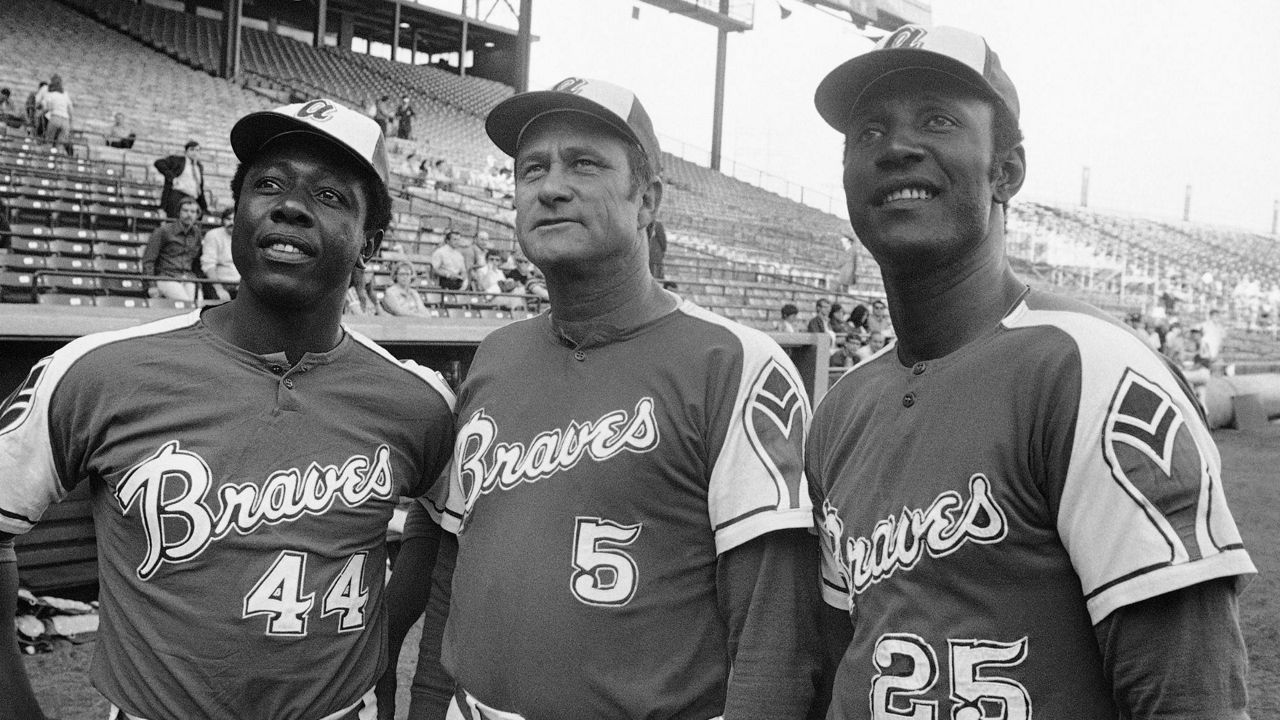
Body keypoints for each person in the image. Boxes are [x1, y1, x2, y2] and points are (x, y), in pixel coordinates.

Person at [808, 24, 1255, 719]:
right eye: (867, 132)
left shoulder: (1090, 368)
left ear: (1006, 171)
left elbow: (1190, 697)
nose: (895, 147)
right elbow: (847, 653)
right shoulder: (842, 407)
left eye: (938, 120)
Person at [0, 97, 456, 720]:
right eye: (268, 184)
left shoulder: (417, 401)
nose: (290, 205)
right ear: (235, 215)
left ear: (369, 243)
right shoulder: (96, 370)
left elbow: (451, 528)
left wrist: (388, 636)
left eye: (330, 196)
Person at [386, 76, 821, 720]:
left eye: (584, 164)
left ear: (647, 200)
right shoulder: (497, 355)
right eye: (532, 168)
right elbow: (455, 564)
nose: (551, 186)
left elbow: (773, 637)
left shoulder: (735, 362)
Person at [142, 196, 203, 302]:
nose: (189, 214)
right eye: (185, 210)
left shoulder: (197, 234)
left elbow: (196, 262)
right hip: (166, 277)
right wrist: (151, 285)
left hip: (188, 277)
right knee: (186, 304)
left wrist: (199, 283)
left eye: (193, 212)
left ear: (197, 215)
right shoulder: (163, 231)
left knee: (199, 305)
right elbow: (148, 260)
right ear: (178, 212)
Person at [155, 140, 209, 219]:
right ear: (186, 151)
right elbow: (159, 163)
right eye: (192, 149)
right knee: (175, 221)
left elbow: (200, 188)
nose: (195, 152)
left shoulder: (199, 166)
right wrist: (172, 178)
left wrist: (204, 207)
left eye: (197, 150)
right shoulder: (177, 160)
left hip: (193, 199)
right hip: (178, 196)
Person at [200, 207, 240, 301]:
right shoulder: (213, 235)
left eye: (234, 219)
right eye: (228, 219)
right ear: (223, 220)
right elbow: (208, 265)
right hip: (218, 283)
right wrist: (219, 289)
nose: (232, 223)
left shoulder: (244, 237)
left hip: (239, 285)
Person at [39, 75, 73, 156]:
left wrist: (41, 113)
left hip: (55, 117)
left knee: (49, 141)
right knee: (60, 145)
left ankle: (46, 158)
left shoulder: (51, 95)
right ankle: (58, 162)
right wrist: (71, 123)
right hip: (66, 120)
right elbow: (70, 110)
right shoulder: (65, 95)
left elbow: (47, 108)